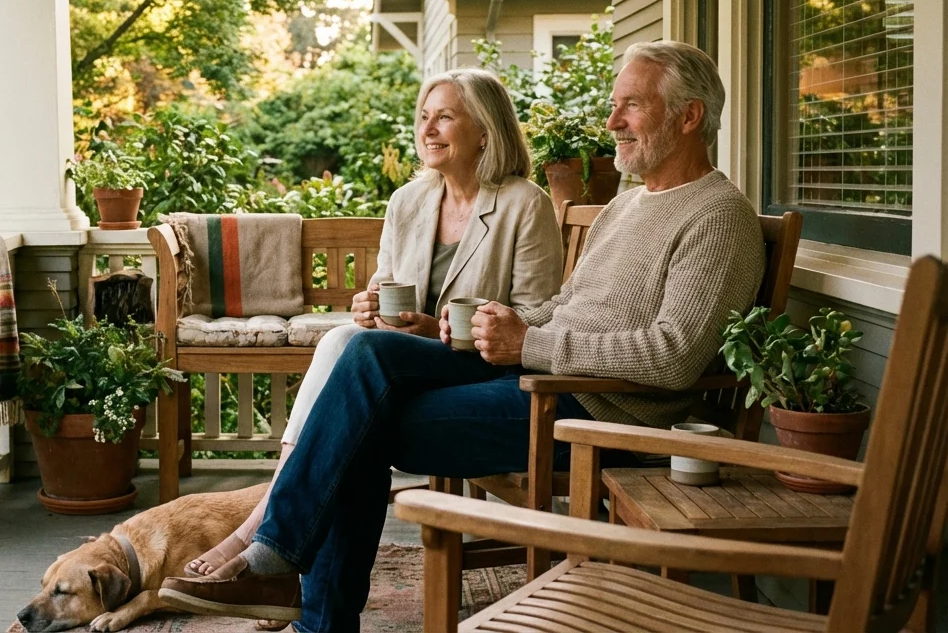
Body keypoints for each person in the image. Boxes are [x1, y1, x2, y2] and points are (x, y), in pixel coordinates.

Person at [161, 41, 766, 633]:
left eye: (631, 105)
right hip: (540, 381)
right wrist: (512, 324)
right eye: (615, 105)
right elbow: (568, 305)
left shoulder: (717, 216)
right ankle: (285, 568)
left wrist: (531, 343)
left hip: (594, 410)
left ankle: (302, 596)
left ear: (688, 117)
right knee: (364, 350)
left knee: (357, 429)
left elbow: (675, 355)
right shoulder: (625, 207)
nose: (612, 121)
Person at [185, 67, 564, 578]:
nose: (427, 130)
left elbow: (537, 313)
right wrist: (368, 305)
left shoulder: (524, 203)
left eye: (445, 118)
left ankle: (262, 530)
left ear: (485, 130)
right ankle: (272, 540)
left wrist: (443, 329)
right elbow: (386, 283)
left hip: (477, 369)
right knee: (345, 336)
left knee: (348, 353)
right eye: (424, 117)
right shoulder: (408, 201)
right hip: (402, 362)